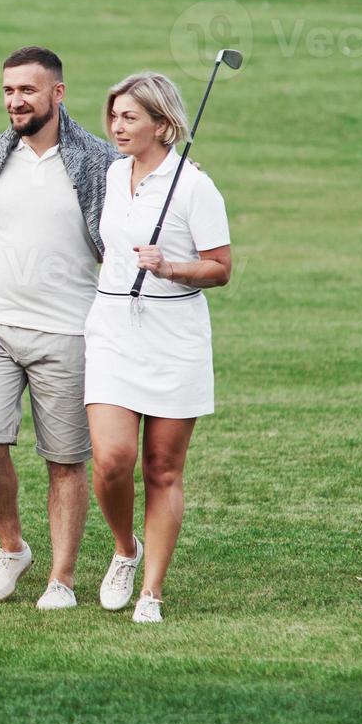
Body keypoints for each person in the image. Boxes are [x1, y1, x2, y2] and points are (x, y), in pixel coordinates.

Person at [0, 47, 119, 610]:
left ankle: (62, 579)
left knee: (65, 460)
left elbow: (127, 229)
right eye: (7, 90)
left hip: (69, 330)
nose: (15, 101)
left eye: (27, 90)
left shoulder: (99, 160)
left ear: (58, 93)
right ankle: (12, 547)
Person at [85, 71, 232, 624]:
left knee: (163, 469)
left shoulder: (195, 186)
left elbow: (221, 267)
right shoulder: (112, 173)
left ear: (164, 125)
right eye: (115, 116)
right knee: (111, 461)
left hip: (175, 338)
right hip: (113, 329)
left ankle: (151, 592)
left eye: (130, 117)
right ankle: (125, 549)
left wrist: (170, 267)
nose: (117, 127)